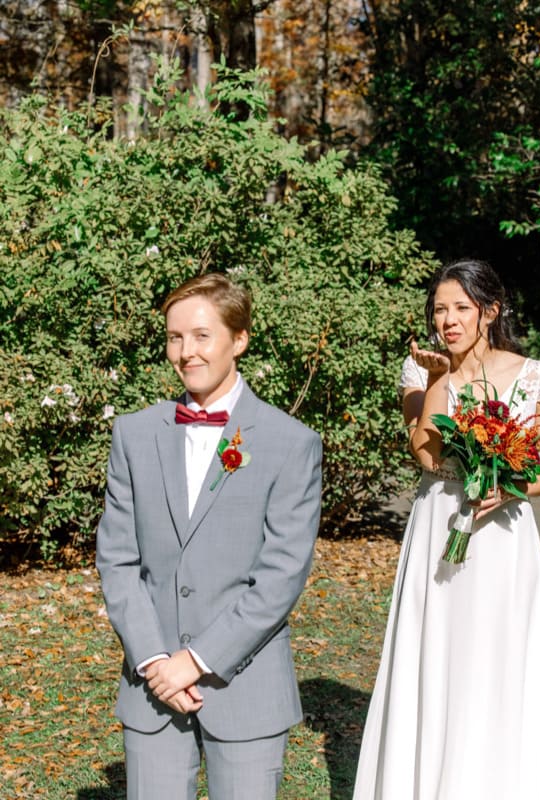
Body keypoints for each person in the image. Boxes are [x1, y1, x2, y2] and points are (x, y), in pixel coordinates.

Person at [96, 272, 323, 799]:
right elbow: (118, 559)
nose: (186, 352)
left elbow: (281, 576)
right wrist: (154, 660)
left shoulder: (292, 444)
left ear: (239, 338)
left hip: (245, 684)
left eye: (201, 336)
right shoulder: (134, 434)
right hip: (151, 688)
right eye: (175, 338)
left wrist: (195, 662)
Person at [353, 258, 540, 799]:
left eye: (460, 308)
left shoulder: (531, 374)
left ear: (489, 312)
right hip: (438, 524)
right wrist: (438, 381)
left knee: (490, 661)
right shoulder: (422, 372)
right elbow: (427, 457)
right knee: (432, 653)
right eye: (439, 309)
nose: (447, 319)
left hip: (503, 535)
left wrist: (512, 486)